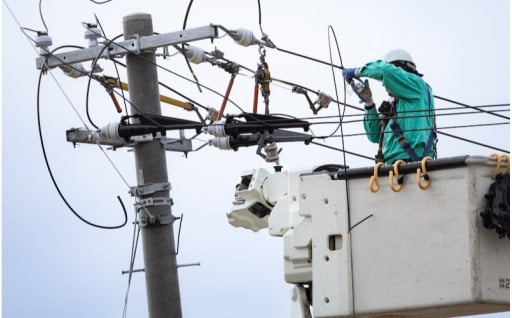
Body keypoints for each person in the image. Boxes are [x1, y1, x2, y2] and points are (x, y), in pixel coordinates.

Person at [343, 49, 437, 164]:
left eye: (388, 81)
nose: (385, 85)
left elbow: (385, 70)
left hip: (411, 162)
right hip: (393, 166)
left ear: (399, 72)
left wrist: (357, 71)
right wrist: (369, 103)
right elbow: (375, 136)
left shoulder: (417, 86)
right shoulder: (397, 103)